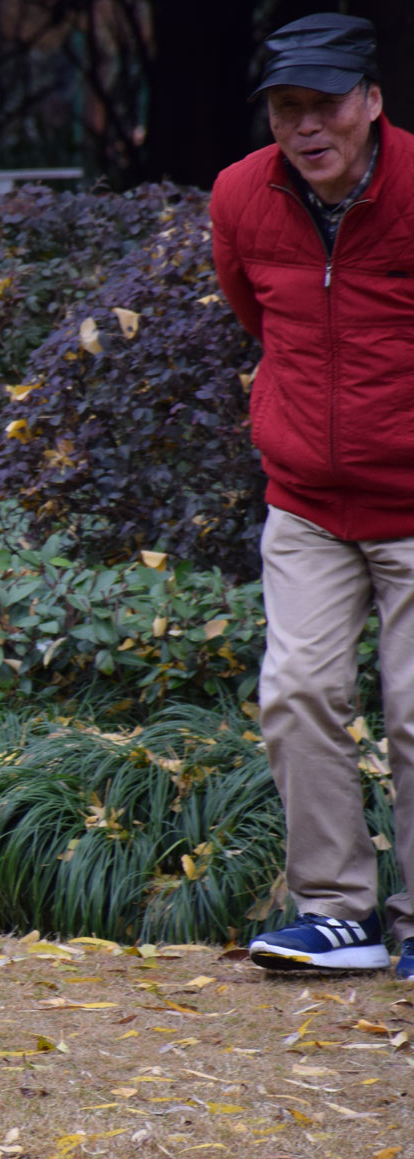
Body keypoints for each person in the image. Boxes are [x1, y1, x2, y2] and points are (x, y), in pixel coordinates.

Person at [211, 13, 414, 978]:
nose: (306, 126)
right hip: (306, 503)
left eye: (325, 104)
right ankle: (337, 914)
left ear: (371, 102)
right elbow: (256, 315)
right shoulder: (241, 195)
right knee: (296, 695)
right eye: (287, 107)